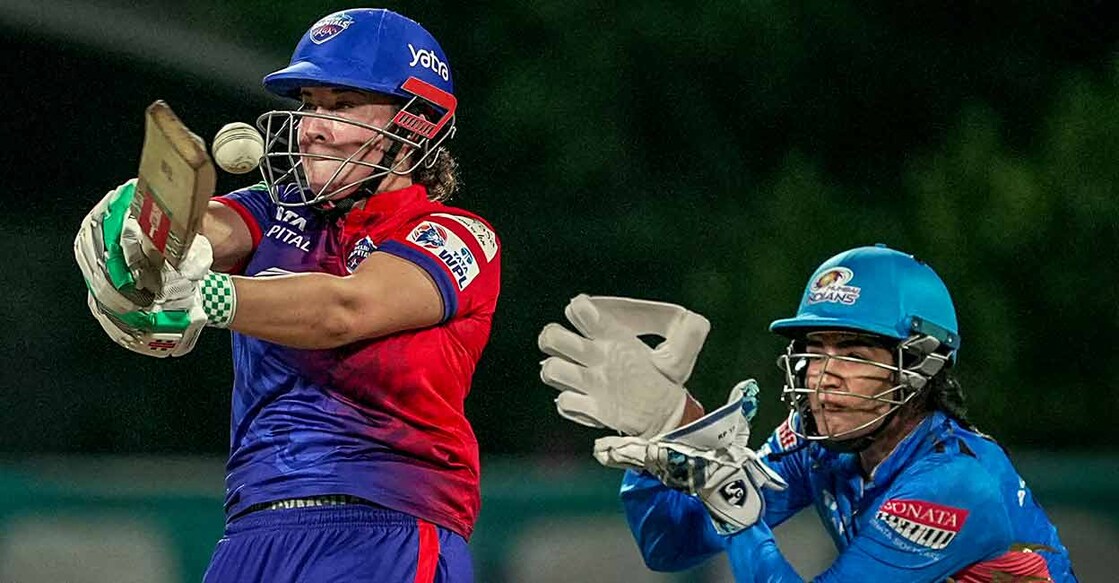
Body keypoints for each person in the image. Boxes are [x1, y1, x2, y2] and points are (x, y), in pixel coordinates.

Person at [74, 8, 499, 582]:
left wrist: (205, 296)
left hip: (384, 526)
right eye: (309, 105)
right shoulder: (277, 207)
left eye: (341, 106)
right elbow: (203, 230)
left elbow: (346, 310)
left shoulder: (458, 235)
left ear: (415, 125)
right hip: (250, 530)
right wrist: (142, 225)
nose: (312, 127)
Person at [539, 244, 1076, 582]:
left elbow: (733, 514)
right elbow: (671, 546)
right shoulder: (816, 443)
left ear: (920, 367)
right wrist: (673, 424)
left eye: (855, 353)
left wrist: (736, 510)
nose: (824, 374)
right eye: (816, 351)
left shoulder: (955, 483)